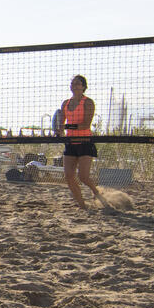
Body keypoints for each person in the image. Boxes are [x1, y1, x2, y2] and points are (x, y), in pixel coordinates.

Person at [55, 74, 107, 210]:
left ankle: (96, 192)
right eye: (73, 83)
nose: (75, 86)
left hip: (85, 142)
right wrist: (59, 131)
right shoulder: (65, 103)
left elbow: (85, 125)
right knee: (69, 176)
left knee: (83, 177)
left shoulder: (88, 102)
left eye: (78, 83)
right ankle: (82, 205)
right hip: (70, 143)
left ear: (83, 87)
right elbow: (61, 124)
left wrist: (66, 127)